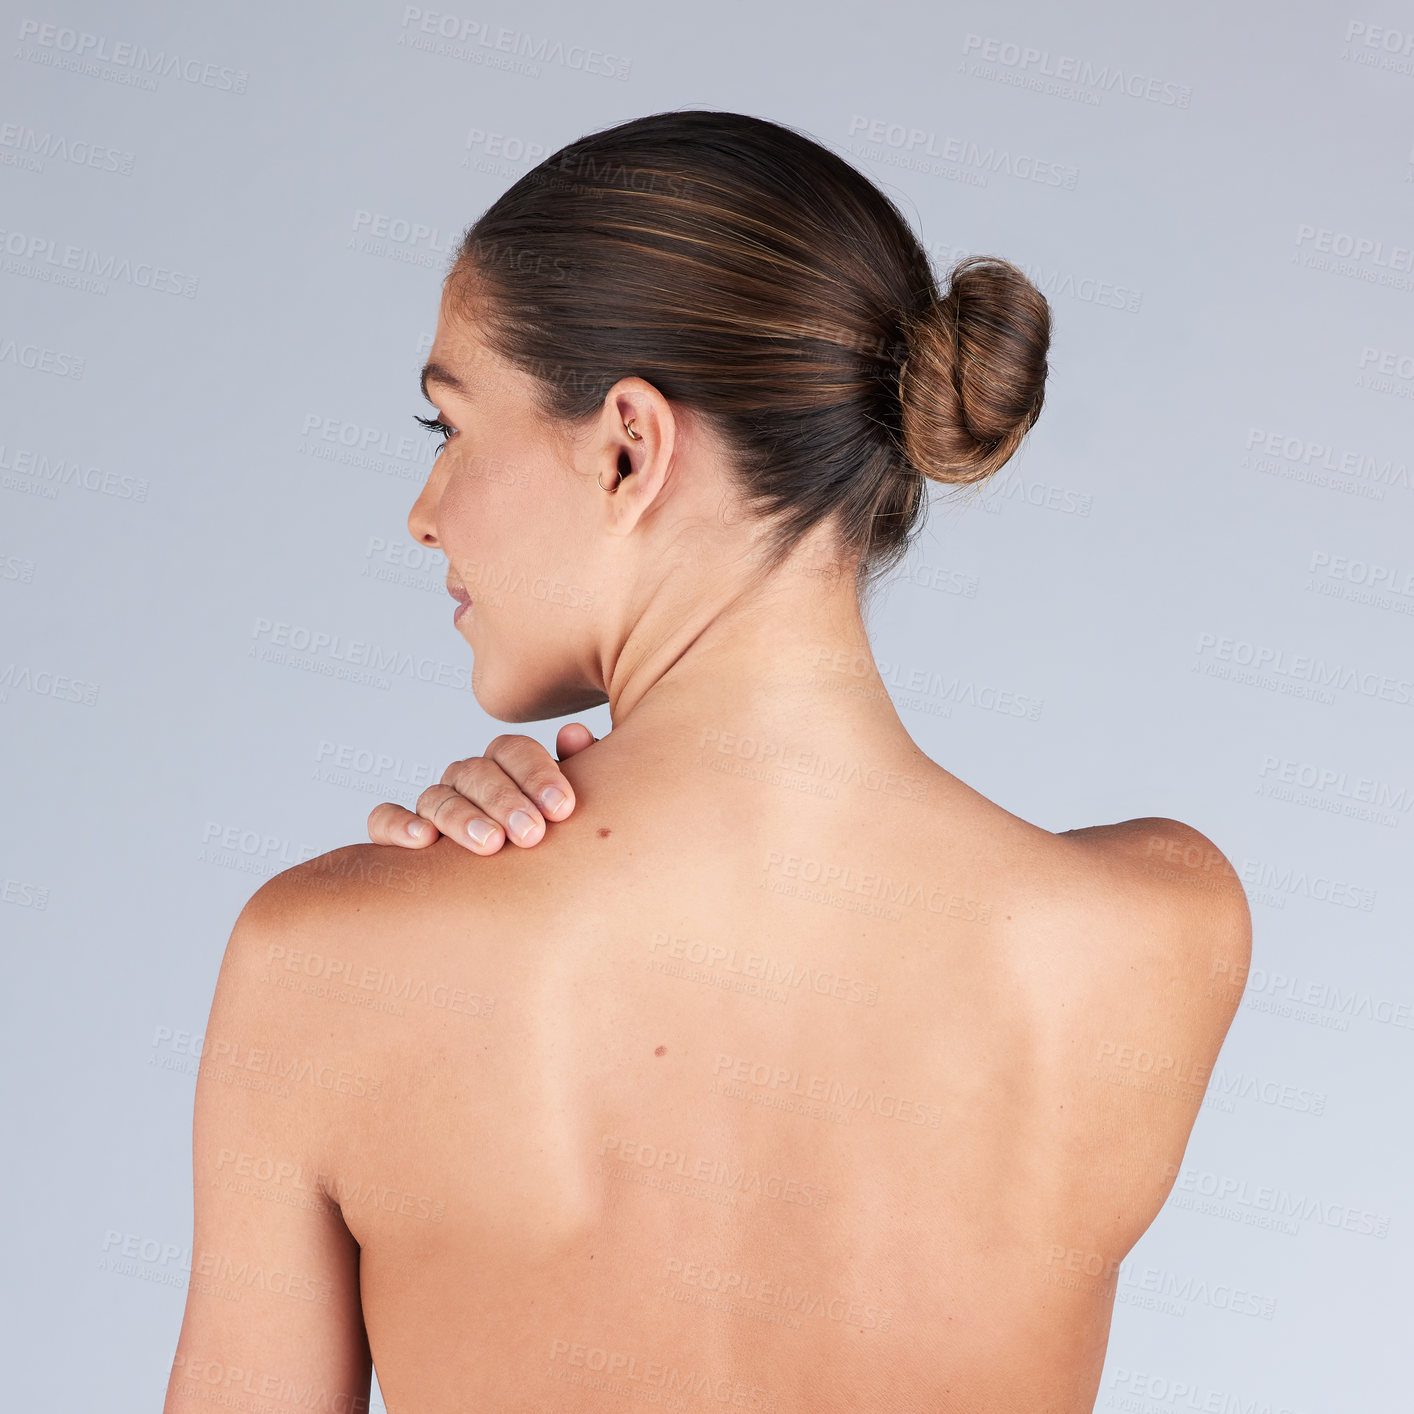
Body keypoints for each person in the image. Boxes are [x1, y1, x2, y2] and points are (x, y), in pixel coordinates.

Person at [164, 109, 1250, 1414]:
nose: (424, 510)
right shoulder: (1159, 928)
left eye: (444, 424)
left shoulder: (322, 969)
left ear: (629, 445)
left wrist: (419, 897)